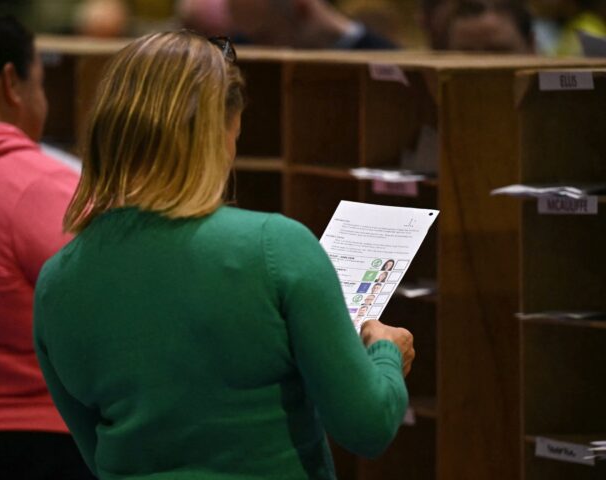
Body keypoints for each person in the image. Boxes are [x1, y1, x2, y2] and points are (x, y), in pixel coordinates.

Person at [33, 30, 415, 479]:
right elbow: (368, 426)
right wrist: (386, 353)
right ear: (224, 126)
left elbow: (96, 452)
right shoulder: (277, 246)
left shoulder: (57, 281)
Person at [0, 9, 94, 479]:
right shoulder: (43, 188)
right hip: (37, 443)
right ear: (10, 84)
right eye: (39, 82)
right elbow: (117, 320)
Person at [181, 0, 398, 49]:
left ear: (301, 9)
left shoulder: (387, 59)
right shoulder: (238, 50)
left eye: (265, 37)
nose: (259, 51)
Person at [446, 0, 534, 52]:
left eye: (497, 52)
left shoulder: (547, 81)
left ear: (531, 46)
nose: (479, 66)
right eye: (466, 56)